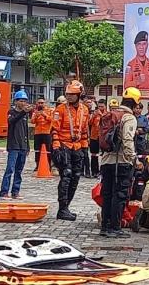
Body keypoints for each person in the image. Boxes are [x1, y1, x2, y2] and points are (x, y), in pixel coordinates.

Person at [99, 87, 140, 237]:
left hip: (106, 161)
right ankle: (115, 227)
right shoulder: (128, 118)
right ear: (135, 103)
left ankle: (105, 226)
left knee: (107, 194)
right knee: (120, 195)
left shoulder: (111, 114)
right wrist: (133, 158)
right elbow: (128, 140)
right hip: (121, 162)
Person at [52, 81, 90, 221]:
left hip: (78, 147)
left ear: (79, 95)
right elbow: (54, 129)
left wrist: (85, 147)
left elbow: (85, 130)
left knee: (76, 177)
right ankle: (62, 209)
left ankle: (66, 207)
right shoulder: (60, 109)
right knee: (66, 176)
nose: (69, 97)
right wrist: (56, 146)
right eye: (67, 94)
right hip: (64, 146)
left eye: (72, 94)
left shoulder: (85, 110)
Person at [0, 90, 32, 200]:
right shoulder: (11, 112)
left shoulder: (25, 115)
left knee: (19, 171)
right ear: (16, 101)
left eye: (25, 101)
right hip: (14, 145)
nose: (23, 103)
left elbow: (26, 131)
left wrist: (27, 146)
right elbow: (11, 121)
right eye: (21, 100)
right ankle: (4, 192)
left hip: (22, 146)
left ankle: (15, 191)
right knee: (10, 169)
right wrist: (23, 112)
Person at [124, 31, 149, 99]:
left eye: (144, 44)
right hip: (136, 100)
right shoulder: (130, 64)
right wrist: (137, 81)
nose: (141, 47)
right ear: (135, 46)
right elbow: (126, 85)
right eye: (139, 44)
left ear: (147, 45)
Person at [31, 98, 52, 172]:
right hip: (38, 133)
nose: (40, 104)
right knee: (37, 150)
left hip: (47, 133)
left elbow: (52, 120)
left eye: (42, 103)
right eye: (39, 103)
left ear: (45, 103)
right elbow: (32, 121)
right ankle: (37, 165)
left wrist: (44, 115)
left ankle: (49, 165)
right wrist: (36, 115)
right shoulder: (35, 112)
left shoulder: (50, 110)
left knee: (48, 150)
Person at [88, 99, 107, 178]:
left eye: (102, 106)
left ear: (105, 106)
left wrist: (101, 115)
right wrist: (94, 116)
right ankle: (94, 171)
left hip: (103, 137)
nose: (100, 108)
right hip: (94, 137)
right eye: (99, 106)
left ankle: (103, 171)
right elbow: (89, 123)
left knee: (104, 155)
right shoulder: (95, 114)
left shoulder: (107, 114)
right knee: (94, 155)